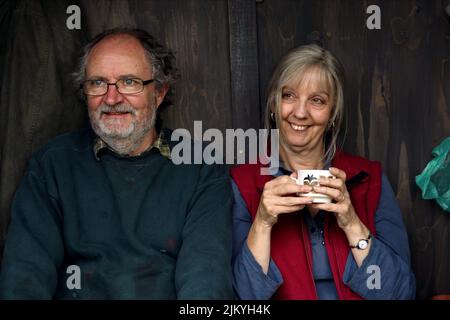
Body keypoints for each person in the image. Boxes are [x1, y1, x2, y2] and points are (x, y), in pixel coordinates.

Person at [0, 28, 233, 299]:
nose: (111, 99)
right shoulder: (52, 165)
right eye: (98, 83)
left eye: (129, 82)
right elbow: (25, 278)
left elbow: (206, 280)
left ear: (158, 92)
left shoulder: (201, 167)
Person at [230, 44, 416, 299]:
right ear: (274, 103)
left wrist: (351, 222)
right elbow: (243, 298)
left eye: (317, 100)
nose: (300, 112)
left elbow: (400, 294)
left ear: (332, 113)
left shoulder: (369, 179)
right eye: (289, 96)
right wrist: (262, 222)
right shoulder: (243, 184)